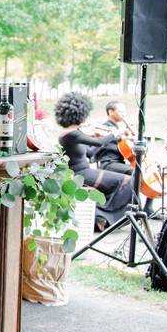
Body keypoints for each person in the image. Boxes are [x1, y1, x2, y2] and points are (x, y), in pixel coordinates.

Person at [55, 93, 133, 231]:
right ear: (79, 114)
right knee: (128, 181)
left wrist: (99, 138)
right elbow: (98, 143)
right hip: (81, 174)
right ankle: (105, 216)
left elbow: (90, 152)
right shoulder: (73, 133)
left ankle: (101, 217)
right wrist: (114, 134)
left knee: (125, 181)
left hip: (83, 171)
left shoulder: (71, 132)